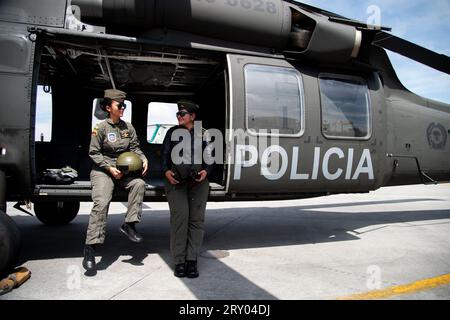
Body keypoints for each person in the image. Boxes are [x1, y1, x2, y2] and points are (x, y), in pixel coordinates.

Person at [82, 89, 148, 273]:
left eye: (124, 106)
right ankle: (90, 249)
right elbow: (93, 152)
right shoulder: (100, 128)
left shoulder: (128, 128)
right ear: (108, 107)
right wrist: (109, 168)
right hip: (103, 170)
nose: (122, 108)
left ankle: (129, 225)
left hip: (124, 170)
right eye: (120, 106)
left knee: (139, 184)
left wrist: (144, 158)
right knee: (101, 203)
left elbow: (135, 148)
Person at [161, 100, 213, 278]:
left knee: (196, 221)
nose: (179, 117)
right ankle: (179, 261)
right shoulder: (172, 133)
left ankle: (192, 260)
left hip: (198, 183)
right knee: (180, 220)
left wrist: (206, 172)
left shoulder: (204, 134)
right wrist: (167, 172)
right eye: (178, 114)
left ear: (192, 116)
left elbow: (210, 158)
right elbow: (165, 155)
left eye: (182, 114)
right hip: (176, 182)